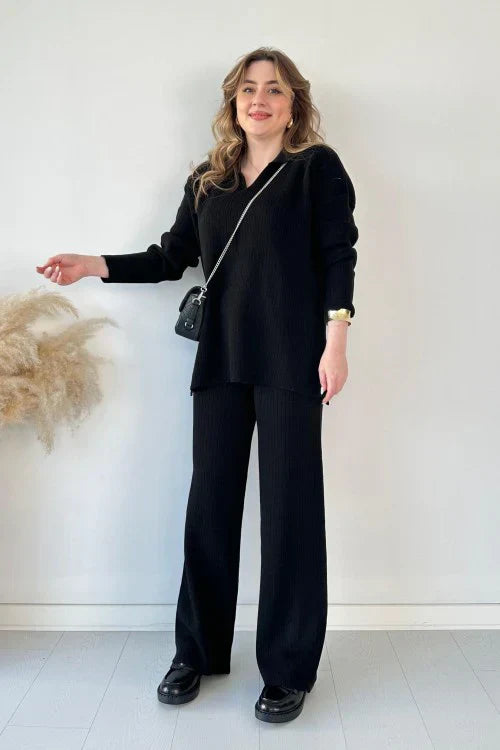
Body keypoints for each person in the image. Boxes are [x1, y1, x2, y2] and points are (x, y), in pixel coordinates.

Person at [35, 46, 359, 724]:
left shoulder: (316, 169)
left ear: (293, 104)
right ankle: (197, 652)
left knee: (291, 510)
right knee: (209, 505)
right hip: (221, 360)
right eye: (248, 89)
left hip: (293, 360)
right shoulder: (208, 180)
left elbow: (338, 256)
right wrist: (93, 264)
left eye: (274, 89)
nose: (260, 99)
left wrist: (336, 342)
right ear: (233, 102)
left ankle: (288, 669)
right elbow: (169, 257)